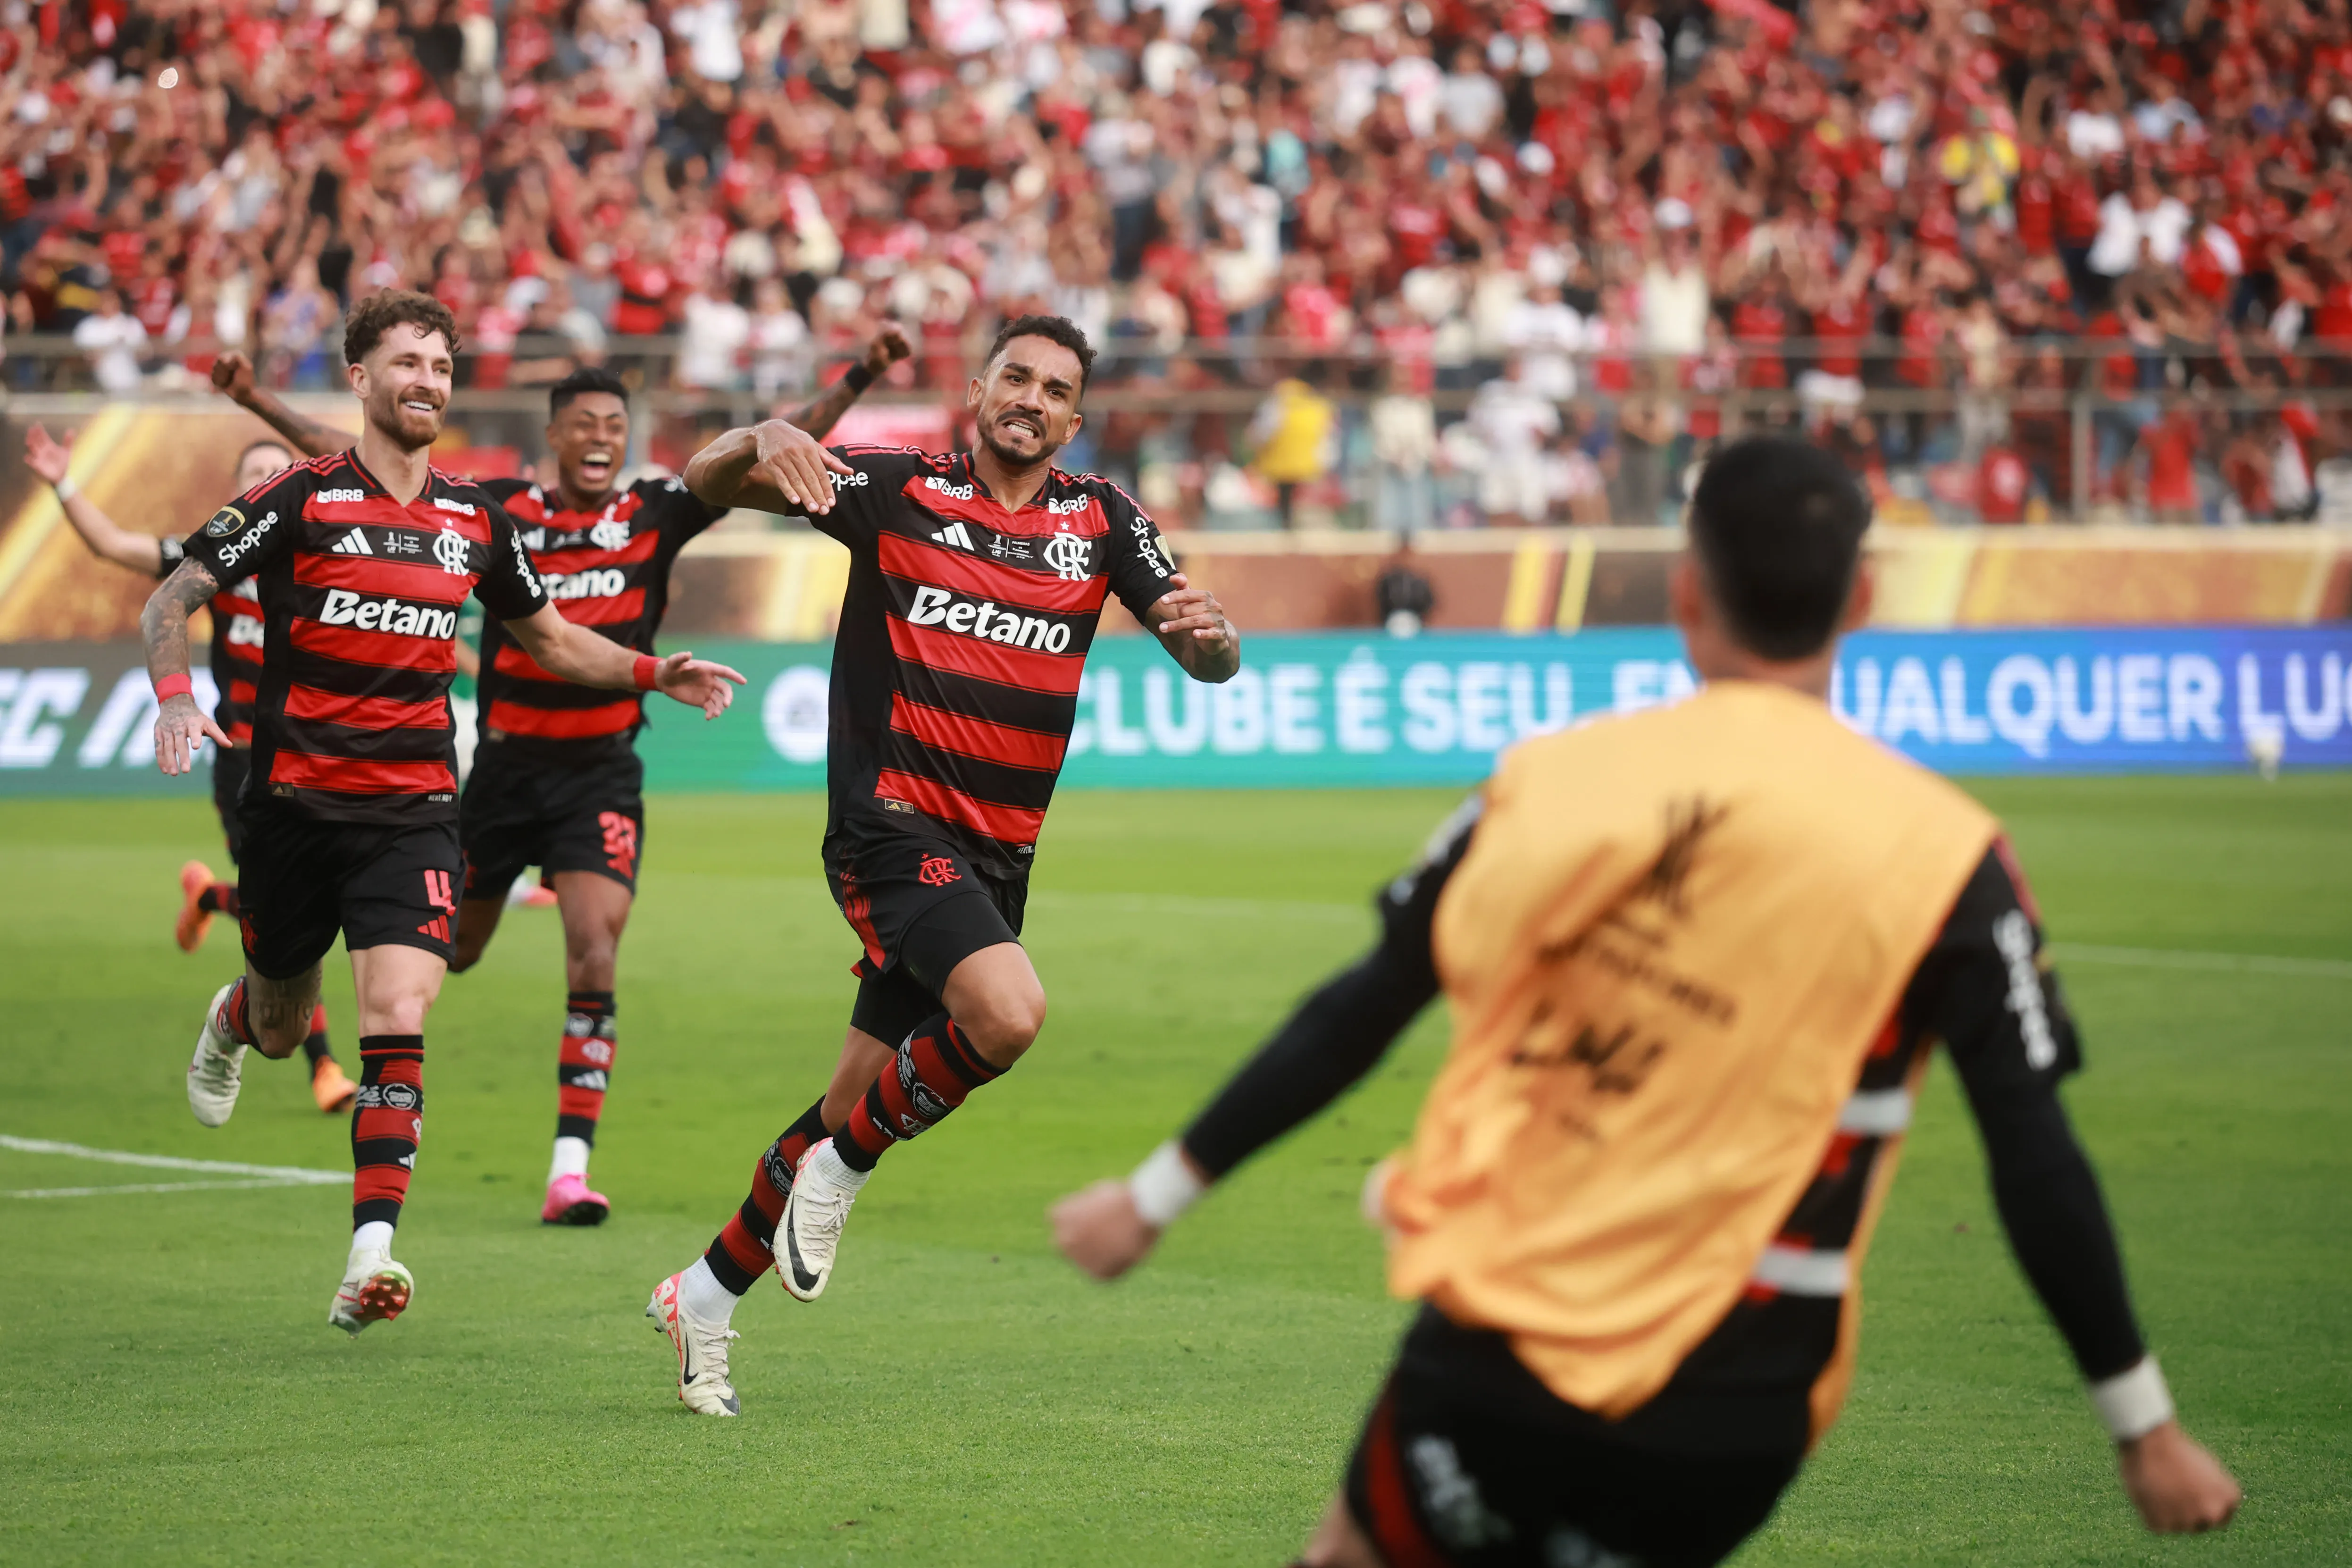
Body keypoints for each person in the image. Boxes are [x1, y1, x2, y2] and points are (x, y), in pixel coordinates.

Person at [1051, 436, 2243, 1566]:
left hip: (1507, 1343)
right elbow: (2032, 1149)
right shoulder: (1951, 856)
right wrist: (2140, 1425)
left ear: (1684, 592)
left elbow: (1365, 1004)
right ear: (1862, 599)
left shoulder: (1554, 778)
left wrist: (1152, 1197)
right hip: (1745, 1406)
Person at [649, 313, 1241, 1417]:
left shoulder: (1101, 518)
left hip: (995, 859)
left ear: (1073, 416)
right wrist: (764, 430)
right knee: (1008, 1014)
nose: (1029, 397)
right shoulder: (891, 486)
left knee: (848, 1096)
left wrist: (1214, 644)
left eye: (1054, 388)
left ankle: (704, 1293)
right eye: (1013, 375)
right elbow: (702, 477)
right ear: (977, 388)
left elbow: (1202, 650)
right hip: (889, 830)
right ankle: (841, 1171)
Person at [141, 291, 745, 1336]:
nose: (426, 380)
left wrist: (653, 669)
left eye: (440, 365)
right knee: (286, 1026)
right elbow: (169, 599)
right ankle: (234, 1018)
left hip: (416, 808)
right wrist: (179, 698)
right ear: (363, 377)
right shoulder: (299, 496)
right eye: (405, 362)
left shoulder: (474, 520)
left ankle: (370, 1250)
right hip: (290, 806)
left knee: (398, 1016)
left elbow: (550, 637)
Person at [236, 320, 912, 1227]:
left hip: (600, 777)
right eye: (584, 424)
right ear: (554, 435)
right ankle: (263, 999)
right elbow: (343, 457)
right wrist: (253, 402)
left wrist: (861, 370)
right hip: (503, 776)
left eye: (614, 426)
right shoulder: (498, 506)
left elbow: (781, 442)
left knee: (594, 951)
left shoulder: (655, 513)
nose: (602, 439)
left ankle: (570, 1169)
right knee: (455, 953)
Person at [22, 376, 358, 1118]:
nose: (267, 485)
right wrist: (64, 484)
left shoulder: (335, 562)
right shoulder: (219, 562)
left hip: (323, 760)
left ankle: (210, 894)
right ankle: (326, 1065)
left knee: (302, 902)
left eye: (278, 472)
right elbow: (114, 546)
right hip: (244, 758)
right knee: (292, 912)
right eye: (253, 478)